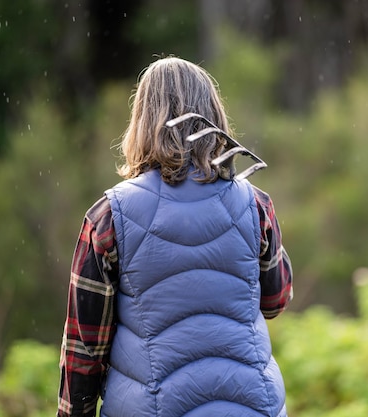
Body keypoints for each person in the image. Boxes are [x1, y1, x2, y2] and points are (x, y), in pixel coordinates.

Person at [57, 56, 293, 417]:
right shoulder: (256, 205)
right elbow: (276, 300)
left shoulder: (108, 217)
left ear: (141, 122)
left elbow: (85, 352)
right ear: (214, 117)